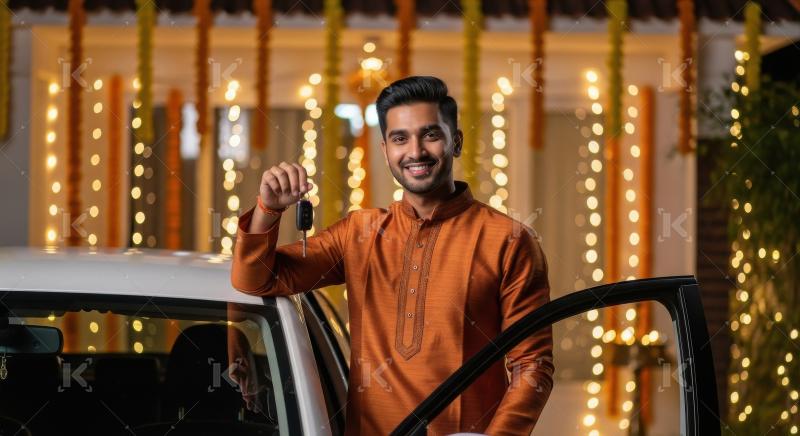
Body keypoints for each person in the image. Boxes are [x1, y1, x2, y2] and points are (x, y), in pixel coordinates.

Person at [231, 76, 553, 435]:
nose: (415, 152)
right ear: (385, 151)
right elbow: (255, 278)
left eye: (431, 135)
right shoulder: (360, 233)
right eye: (400, 139)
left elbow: (533, 365)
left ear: (455, 142)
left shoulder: (508, 240)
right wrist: (267, 209)